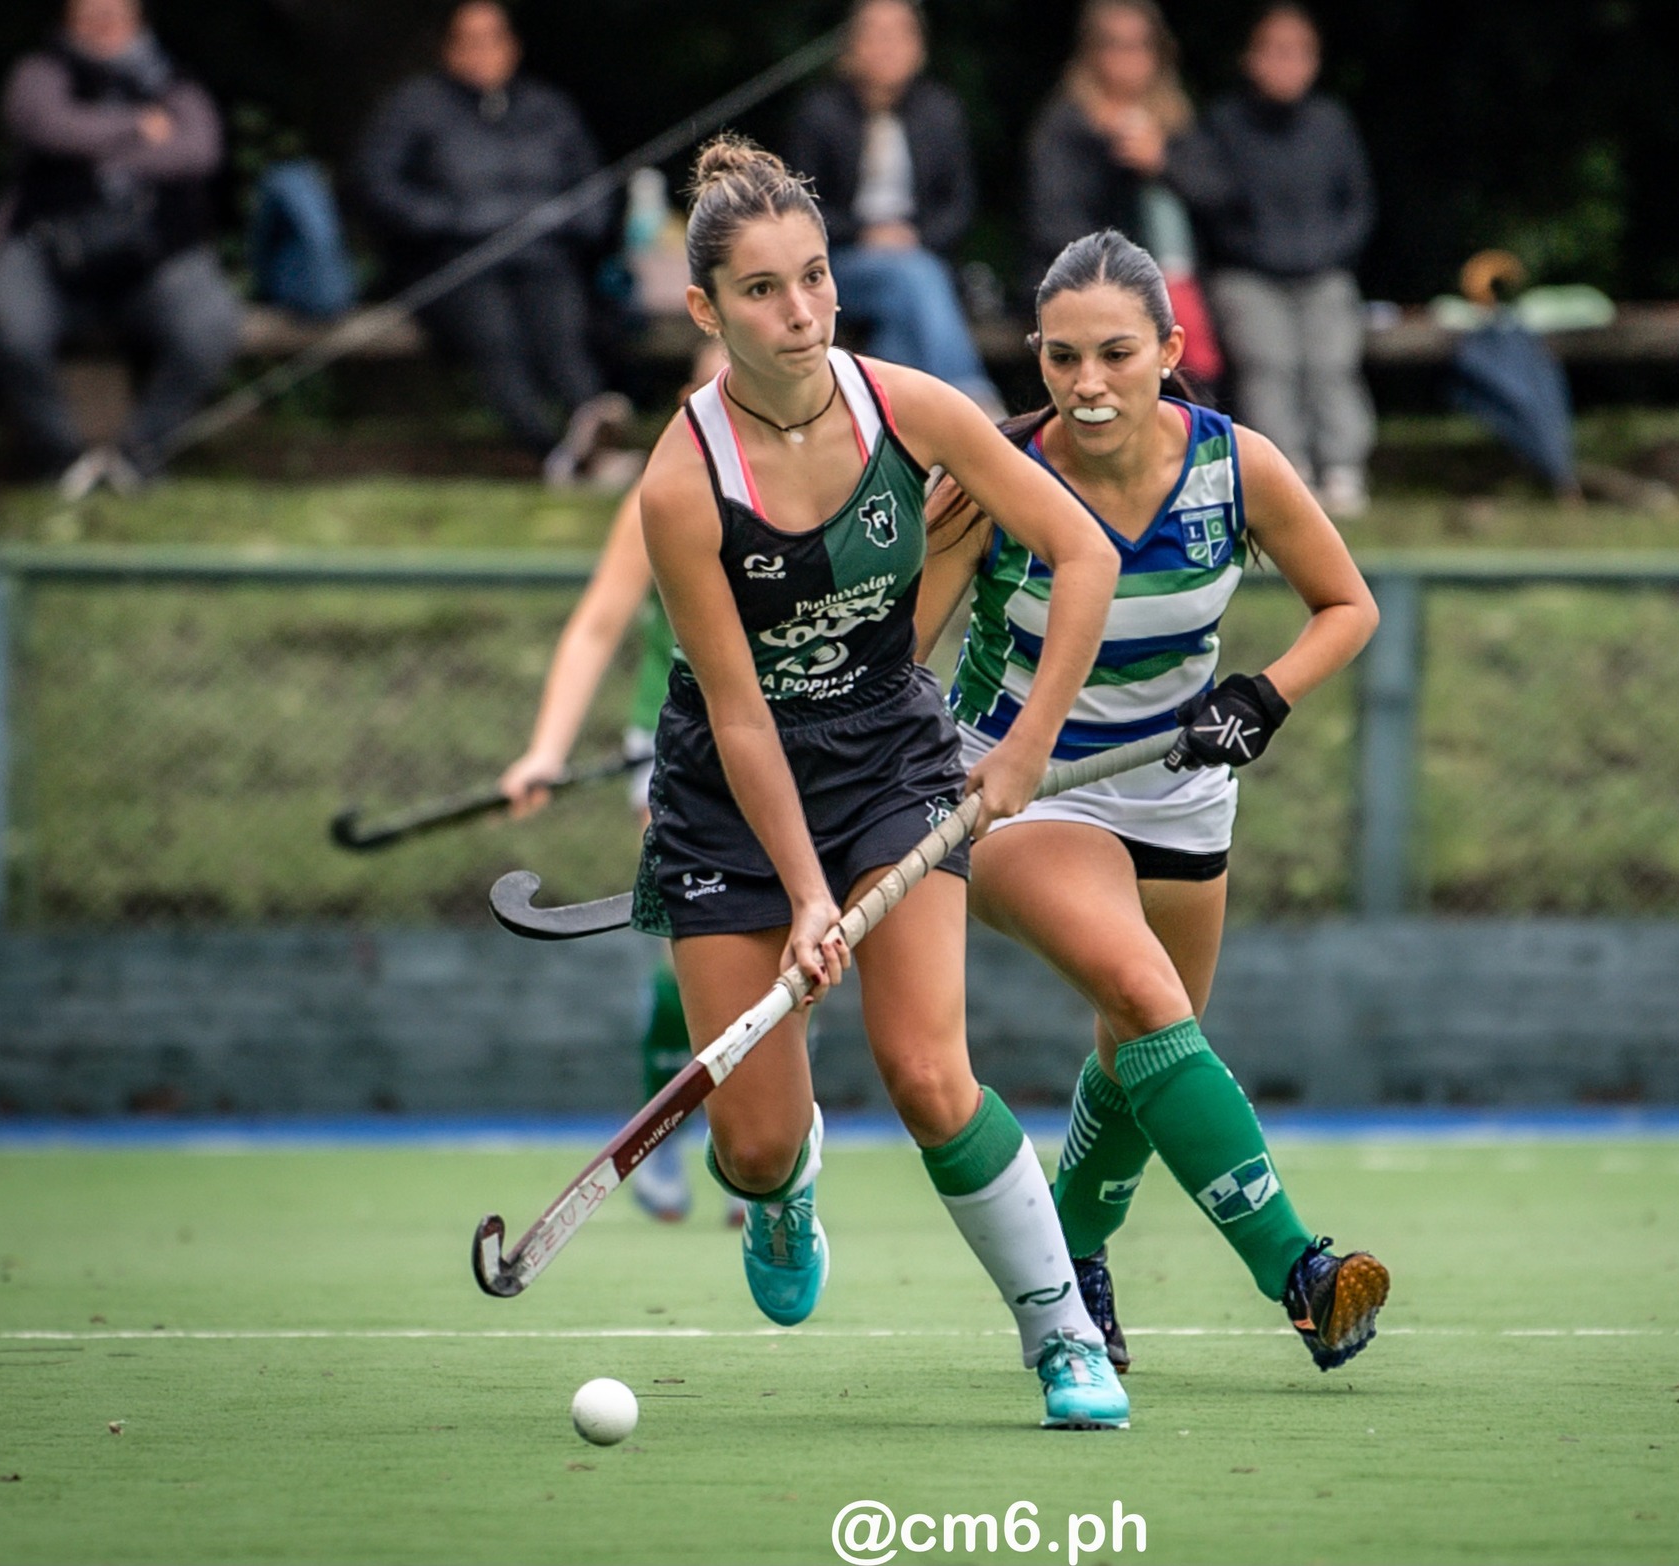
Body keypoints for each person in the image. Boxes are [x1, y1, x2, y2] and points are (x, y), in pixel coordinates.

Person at [629, 135, 1129, 1429]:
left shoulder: (913, 408)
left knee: (926, 1068)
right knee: (750, 1139)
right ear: (706, 309)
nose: (799, 312)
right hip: (730, 794)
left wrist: (1022, 749)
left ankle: (1063, 1334)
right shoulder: (683, 487)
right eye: (760, 290)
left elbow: (1081, 554)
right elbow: (738, 713)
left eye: (814, 277)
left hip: (892, 752)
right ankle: (785, 1189)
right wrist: (803, 895)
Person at [916, 228, 1389, 1377]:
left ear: (1170, 350)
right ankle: (1301, 1271)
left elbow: (1345, 606)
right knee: (1143, 992)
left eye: (1116, 355)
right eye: (1061, 357)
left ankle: (1072, 1253)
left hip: (1181, 794)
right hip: (1022, 790)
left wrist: (1260, 698)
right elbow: (902, 659)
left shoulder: (1237, 467)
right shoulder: (990, 479)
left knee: (1146, 1041)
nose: (1086, 386)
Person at [496, 468, 739, 1227]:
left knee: (794, 960)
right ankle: (663, 1127)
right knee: (693, 951)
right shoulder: (668, 490)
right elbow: (601, 620)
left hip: (809, 746)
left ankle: (763, 1147)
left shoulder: (832, 476)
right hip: (680, 746)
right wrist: (547, 749)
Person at [0, 0, 240, 498]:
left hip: (154, 260)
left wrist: (97, 151)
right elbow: (51, 127)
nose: (104, 26)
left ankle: (138, 456)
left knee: (212, 321)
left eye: (115, 15)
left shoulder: (174, 80)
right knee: (2, 317)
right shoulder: (41, 72)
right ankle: (63, 460)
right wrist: (139, 128)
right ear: (68, 21)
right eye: (90, 16)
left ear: (138, 19)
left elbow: (199, 149)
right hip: (47, 253)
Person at [353, 0, 630, 487]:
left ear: (513, 47)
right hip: (453, 262)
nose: (483, 53)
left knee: (564, 331)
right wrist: (455, 221)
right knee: (496, 337)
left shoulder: (548, 108)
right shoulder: (414, 107)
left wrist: (575, 225)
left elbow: (593, 187)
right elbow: (378, 187)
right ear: (448, 50)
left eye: (493, 39)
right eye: (469, 41)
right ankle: (548, 451)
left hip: (543, 258)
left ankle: (593, 425)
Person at [1188, 4, 1377, 518]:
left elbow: (1358, 206)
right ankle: (1286, 470)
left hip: (1324, 274)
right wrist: (1253, 252)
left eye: (1298, 53)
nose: (1285, 64)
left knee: (1331, 364)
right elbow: (1210, 202)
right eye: (1274, 51)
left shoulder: (1331, 124)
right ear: (1251, 58)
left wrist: (1329, 255)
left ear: (1314, 61)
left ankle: (1342, 468)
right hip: (1248, 275)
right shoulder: (1223, 125)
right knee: (1269, 364)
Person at [785, 0, 1001, 413]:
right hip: (842, 261)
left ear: (919, 47)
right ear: (850, 46)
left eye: (899, 34)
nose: (887, 46)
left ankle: (886, 426)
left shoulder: (940, 111)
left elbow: (960, 206)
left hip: (922, 261)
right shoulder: (819, 113)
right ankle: (976, 404)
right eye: (875, 34)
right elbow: (799, 207)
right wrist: (864, 235)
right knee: (914, 276)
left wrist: (914, 238)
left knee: (903, 315)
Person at [1023, 0, 1223, 383]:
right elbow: (1055, 222)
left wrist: (1162, 165)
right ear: (1091, 54)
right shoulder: (1066, 126)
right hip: (1097, 277)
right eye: (1113, 45)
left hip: (1190, 277)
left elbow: (1223, 201)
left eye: (1138, 45)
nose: (1126, 59)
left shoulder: (1177, 122)